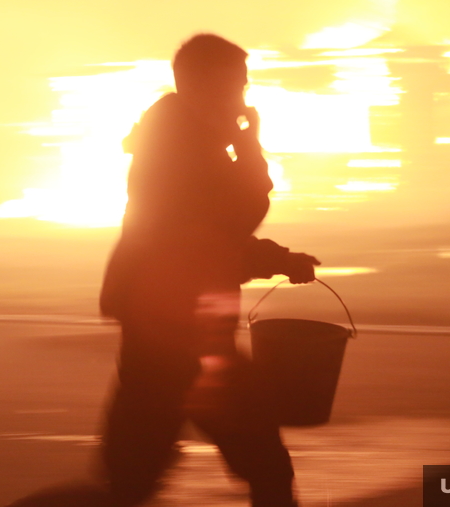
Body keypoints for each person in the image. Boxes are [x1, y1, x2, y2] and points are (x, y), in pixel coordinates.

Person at [97, 34, 320, 507]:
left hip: (175, 332)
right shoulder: (181, 150)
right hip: (178, 338)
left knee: (135, 474)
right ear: (203, 88)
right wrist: (249, 142)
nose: (243, 98)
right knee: (264, 466)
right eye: (235, 87)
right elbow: (236, 215)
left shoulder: (184, 142)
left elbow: (214, 236)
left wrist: (279, 260)